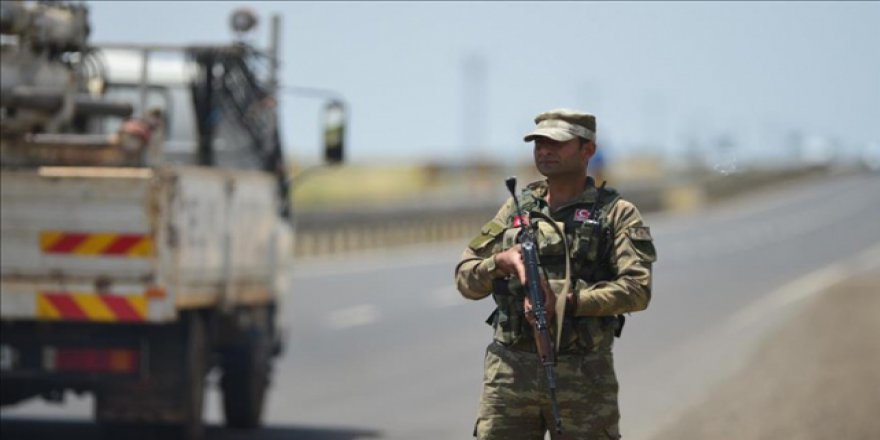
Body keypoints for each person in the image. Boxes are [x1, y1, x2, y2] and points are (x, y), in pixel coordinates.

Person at [454, 109, 656, 439]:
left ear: (587, 149)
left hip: (583, 373)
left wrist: (566, 302)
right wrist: (500, 262)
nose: (545, 151)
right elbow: (465, 278)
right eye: (539, 143)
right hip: (510, 372)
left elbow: (637, 289)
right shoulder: (517, 208)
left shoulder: (615, 213)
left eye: (557, 143)